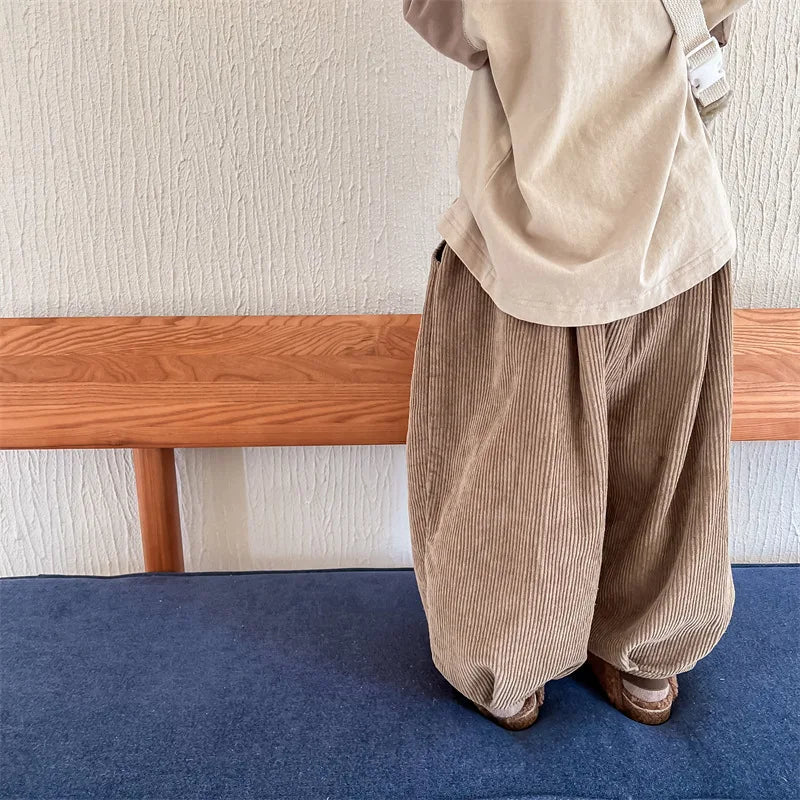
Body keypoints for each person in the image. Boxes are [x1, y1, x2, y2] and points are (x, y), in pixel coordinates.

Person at [403, 0, 750, 729]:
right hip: (671, 226)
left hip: (532, 242)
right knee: (665, 475)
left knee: (520, 484)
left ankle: (506, 665)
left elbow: (443, 21)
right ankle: (647, 656)